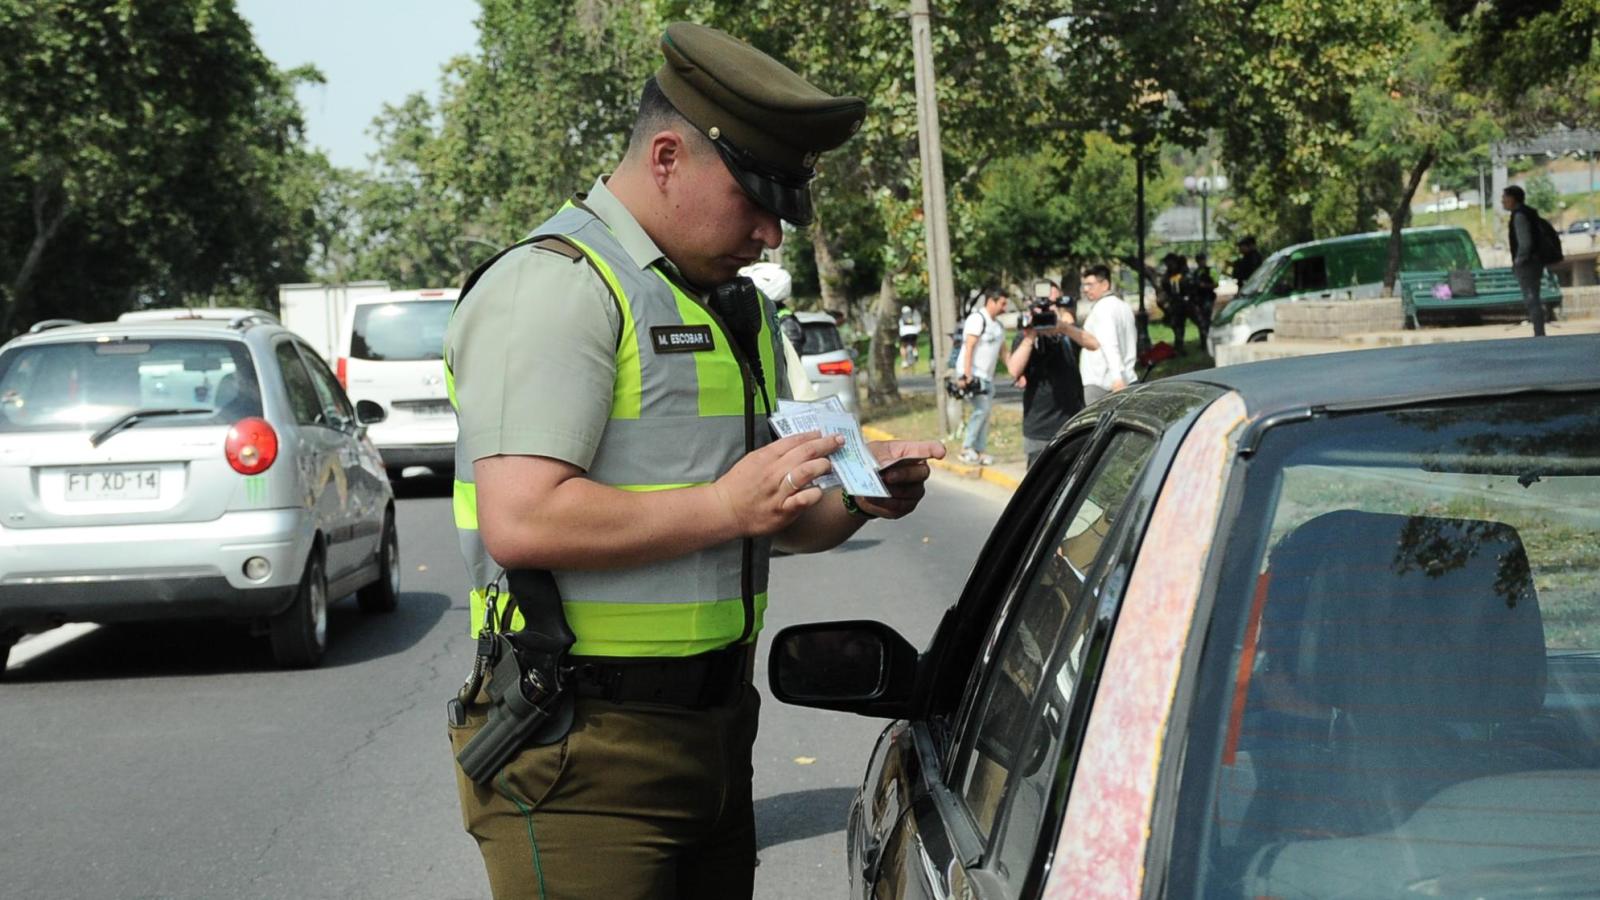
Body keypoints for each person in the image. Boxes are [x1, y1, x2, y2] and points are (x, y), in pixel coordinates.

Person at [442, 23, 942, 899]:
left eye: (783, 209)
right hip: (582, 749)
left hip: (712, 730)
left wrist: (861, 500)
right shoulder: (559, 287)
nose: (770, 234)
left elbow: (759, 519)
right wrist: (726, 507)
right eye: (754, 199)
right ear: (667, 157)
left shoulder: (719, 303)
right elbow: (521, 519)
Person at [1006, 280, 1097, 468]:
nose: (1049, 309)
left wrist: (1063, 327)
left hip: (1073, 424)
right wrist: (1031, 335)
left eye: (1053, 303)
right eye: (1044, 304)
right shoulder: (1025, 336)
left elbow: (1093, 344)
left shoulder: (1067, 333)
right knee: (1040, 491)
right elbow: (1013, 370)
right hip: (1040, 429)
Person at [953, 288, 1011, 466]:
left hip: (987, 377)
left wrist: (1016, 372)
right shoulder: (978, 319)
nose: (1004, 308)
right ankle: (966, 447)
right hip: (973, 374)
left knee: (985, 413)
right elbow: (969, 347)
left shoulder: (998, 326)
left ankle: (979, 450)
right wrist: (966, 374)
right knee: (981, 409)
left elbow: (1004, 351)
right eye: (1002, 303)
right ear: (991, 301)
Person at [1077, 264, 1139, 405]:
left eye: (1090, 285)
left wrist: (1116, 378)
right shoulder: (1123, 306)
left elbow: (1110, 344)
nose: (1086, 289)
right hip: (1128, 378)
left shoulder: (1103, 309)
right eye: (1084, 285)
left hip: (1103, 384)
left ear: (1105, 284)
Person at [1502, 185, 1549, 337]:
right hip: (1536, 260)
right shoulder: (1529, 213)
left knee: (1531, 297)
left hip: (1528, 263)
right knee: (1534, 295)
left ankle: (1539, 332)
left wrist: (1519, 260)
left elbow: (1525, 242)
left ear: (1512, 198)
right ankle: (1539, 330)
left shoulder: (1519, 216)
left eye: (1505, 197)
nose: (1503, 201)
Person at [1160, 253, 1194, 352]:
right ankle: (1179, 345)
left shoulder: (1183, 272)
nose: (1168, 265)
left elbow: (1188, 284)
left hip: (1187, 301)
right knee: (1177, 325)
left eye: (1169, 263)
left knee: (1199, 322)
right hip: (1175, 302)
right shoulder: (1168, 274)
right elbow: (1165, 286)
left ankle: (1204, 342)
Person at [897, 304, 923, 368]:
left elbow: (900, 325)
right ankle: (915, 353)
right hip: (914, 332)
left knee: (903, 346)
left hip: (904, 333)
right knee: (914, 344)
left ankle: (904, 361)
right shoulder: (913, 316)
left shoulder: (901, 317)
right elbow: (918, 324)